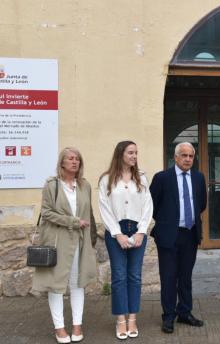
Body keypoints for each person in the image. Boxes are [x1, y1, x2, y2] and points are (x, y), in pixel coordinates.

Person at [31, 147, 97, 344]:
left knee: (78, 283)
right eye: (70, 158)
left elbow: (89, 214)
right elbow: (47, 212)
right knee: (56, 285)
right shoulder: (52, 185)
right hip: (57, 242)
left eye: (77, 159)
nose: (74, 162)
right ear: (62, 163)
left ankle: (77, 325)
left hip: (80, 242)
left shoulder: (85, 185)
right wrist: (73, 222)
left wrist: (91, 237)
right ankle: (59, 328)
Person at [149, 142, 207, 333]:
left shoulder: (198, 178)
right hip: (168, 235)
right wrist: (167, 222)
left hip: (190, 234)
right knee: (168, 277)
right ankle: (168, 316)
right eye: (184, 155)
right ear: (175, 157)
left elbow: (202, 204)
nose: (188, 159)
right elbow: (152, 206)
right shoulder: (162, 178)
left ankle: (185, 312)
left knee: (186, 277)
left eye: (191, 156)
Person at [98, 141, 153, 339]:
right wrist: (117, 233)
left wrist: (141, 231)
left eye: (136, 153)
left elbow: (148, 206)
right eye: (131, 152)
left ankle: (133, 319)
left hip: (137, 229)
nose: (134, 156)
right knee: (119, 276)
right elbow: (104, 208)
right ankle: (121, 319)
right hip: (116, 231)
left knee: (135, 276)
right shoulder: (106, 179)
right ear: (121, 153)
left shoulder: (142, 178)